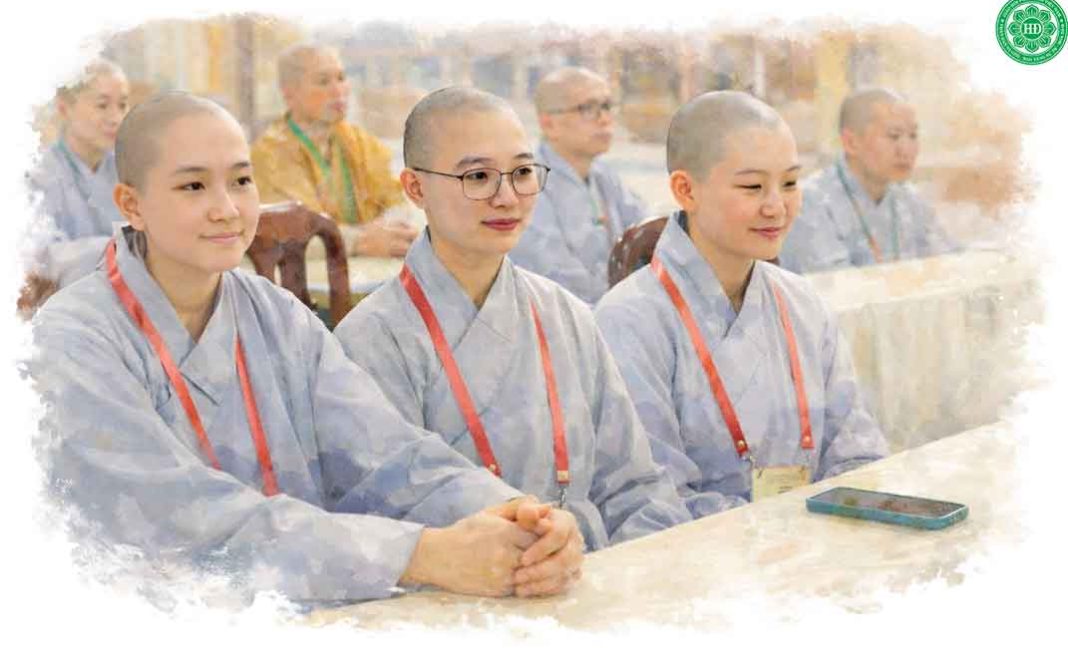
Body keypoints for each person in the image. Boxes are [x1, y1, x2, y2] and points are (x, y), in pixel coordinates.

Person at [30, 91, 583, 604]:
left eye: (241, 181)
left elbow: (387, 453)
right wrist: (418, 555)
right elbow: (177, 519)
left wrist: (517, 516)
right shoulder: (72, 339)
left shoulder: (276, 314)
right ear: (131, 204)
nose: (227, 208)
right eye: (193, 187)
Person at [334, 87, 691, 551]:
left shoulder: (566, 314)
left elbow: (635, 486)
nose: (507, 198)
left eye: (522, 173)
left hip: (592, 571)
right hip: (464, 587)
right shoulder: (372, 340)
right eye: (478, 177)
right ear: (416, 188)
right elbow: (385, 527)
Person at [595, 91, 888, 518]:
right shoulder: (628, 320)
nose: (776, 206)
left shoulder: (803, 303)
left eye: (790, 183)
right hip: (705, 552)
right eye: (752, 187)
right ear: (685, 190)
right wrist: (781, 528)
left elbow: (857, 452)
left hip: (817, 541)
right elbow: (651, 500)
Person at [250, 43, 418, 258]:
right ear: (289, 93)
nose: (338, 91)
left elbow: (397, 201)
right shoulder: (269, 153)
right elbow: (288, 233)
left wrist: (388, 229)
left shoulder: (359, 141)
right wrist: (359, 242)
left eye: (341, 78)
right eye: (323, 81)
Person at [777, 88, 958, 273]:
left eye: (913, 135)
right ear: (851, 142)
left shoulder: (910, 198)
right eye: (894, 136)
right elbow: (831, 284)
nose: (906, 149)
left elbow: (950, 263)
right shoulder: (809, 202)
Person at [509, 67, 650, 304]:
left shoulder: (603, 175)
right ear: (549, 124)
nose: (604, 119)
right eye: (588, 109)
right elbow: (556, 280)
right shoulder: (527, 184)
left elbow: (648, 233)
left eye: (607, 106)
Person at [27, 58, 129, 287]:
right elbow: (42, 260)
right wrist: (124, 248)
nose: (116, 118)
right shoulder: (38, 176)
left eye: (122, 105)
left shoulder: (130, 169)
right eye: (102, 105)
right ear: (65, 108)